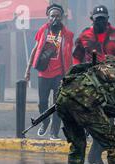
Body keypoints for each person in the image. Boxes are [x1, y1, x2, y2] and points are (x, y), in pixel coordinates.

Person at [73, 5, 115, 164]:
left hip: (111, 85)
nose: (100, 22)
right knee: (97, 121)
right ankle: (95, 155)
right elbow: (76, 57)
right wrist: (78, 73)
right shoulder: (85, 35)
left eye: (103, 19)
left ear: (108, 19)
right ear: (92, 19)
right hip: (90, 84)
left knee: (108, 121)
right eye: (97, 19)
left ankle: (94, 154)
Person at [25, 4, 73, 141]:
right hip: (44, 73)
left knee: (58, 104)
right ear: (48, 17)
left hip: (59, 74)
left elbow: (69, 56)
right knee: (42, 103)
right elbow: (35, 50)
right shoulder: (43, 30)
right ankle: (45, 121)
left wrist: (70, 75)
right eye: (52, 16)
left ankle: (54, 132)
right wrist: (27, 70)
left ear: (62, 17)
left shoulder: (67, 34)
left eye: (57, 16)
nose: (55, 19)